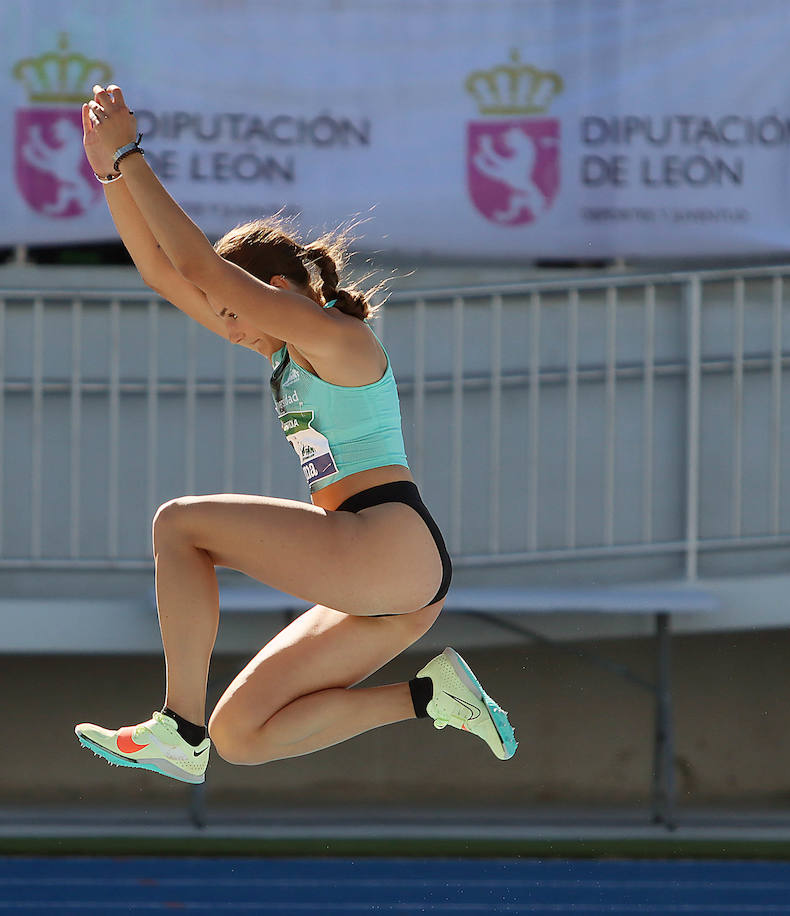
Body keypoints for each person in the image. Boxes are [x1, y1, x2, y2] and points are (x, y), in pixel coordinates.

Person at [73, 85, 517, 785]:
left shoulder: (332, 338)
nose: (231, 328)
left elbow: (195, 266)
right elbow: (164, 272)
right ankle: (431, 697)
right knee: (244, 735)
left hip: (383, 542)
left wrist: (131, 153)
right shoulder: (284, 352)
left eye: (235, 310)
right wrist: (108, 174)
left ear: (280, 288)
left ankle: (177, 726)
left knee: (179, 527)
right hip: (386, 577)